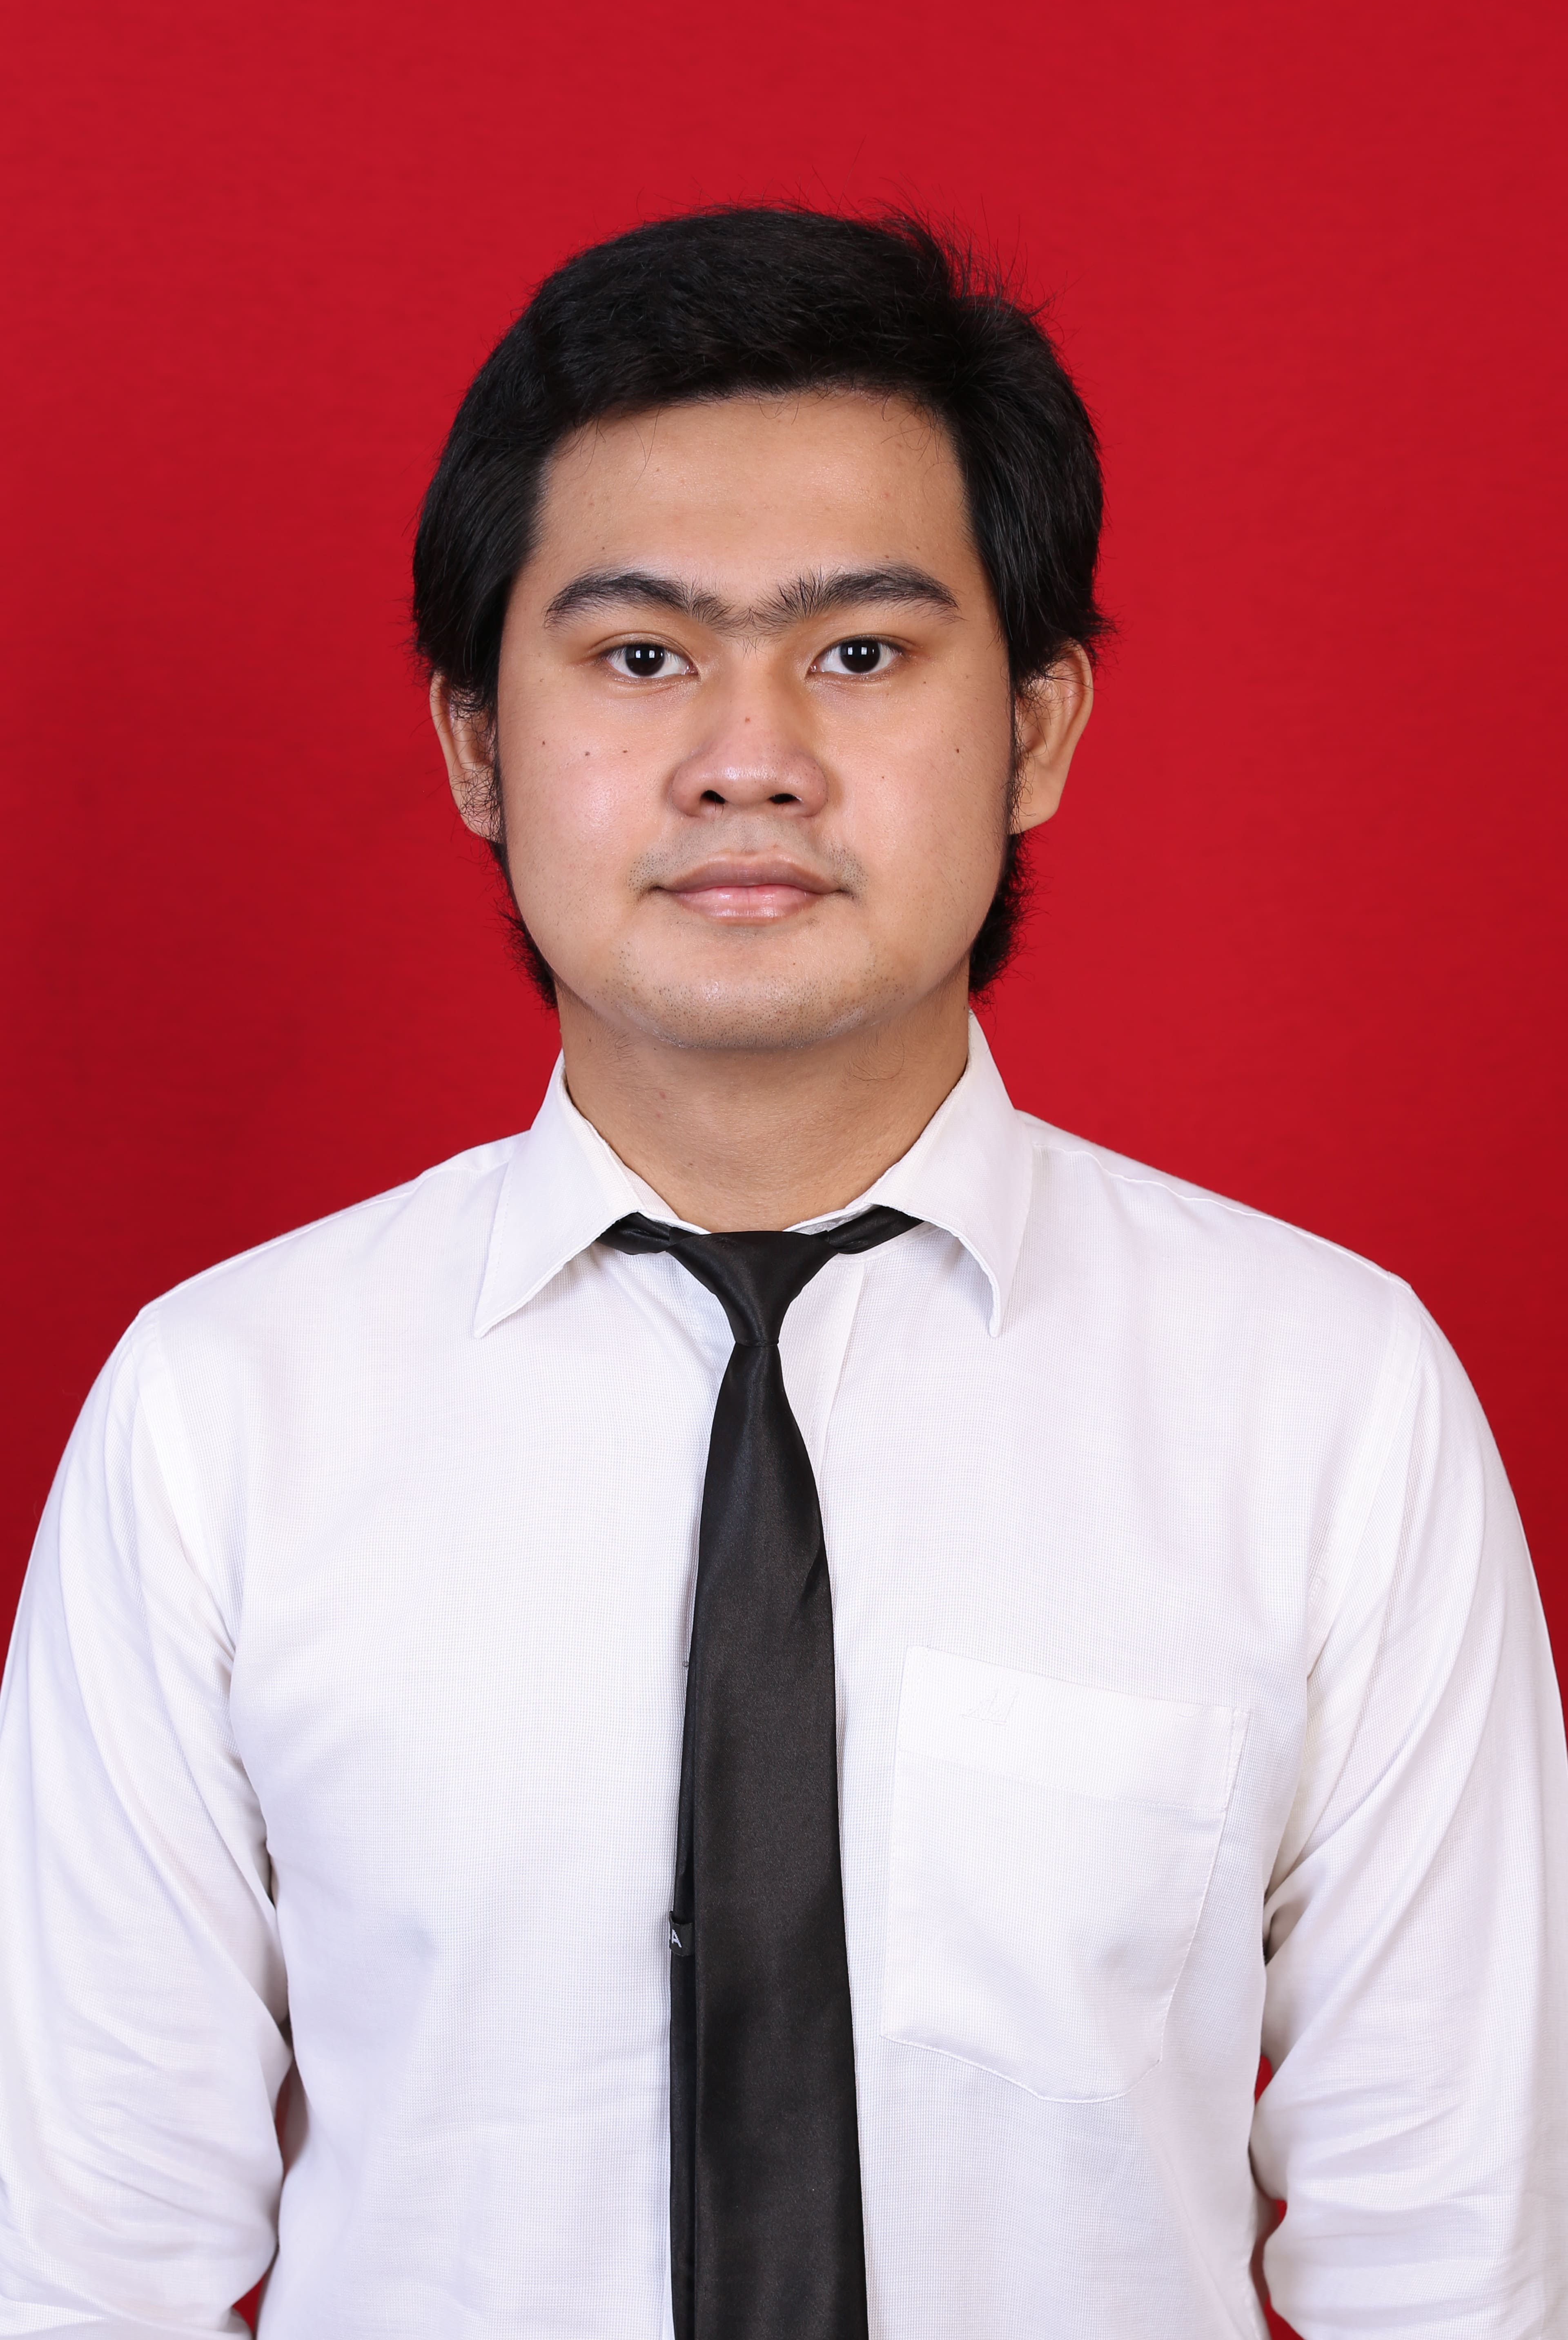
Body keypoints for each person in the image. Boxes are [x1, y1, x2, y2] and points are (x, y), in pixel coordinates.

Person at [0, 207, 1562, 2340]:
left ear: (1040, 730)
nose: (750, 758)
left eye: (862, 653)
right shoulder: (221, 1416)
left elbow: (1458, 2263)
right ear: (474, 746)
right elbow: (82, 2266)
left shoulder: (1328, 1404)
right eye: (642, 657)